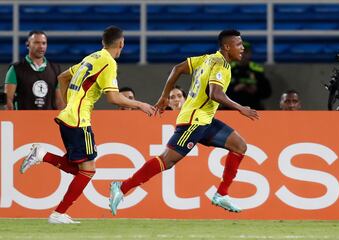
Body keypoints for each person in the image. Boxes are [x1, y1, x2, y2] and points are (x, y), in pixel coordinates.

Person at [109, 29, 259, 215]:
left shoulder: (206, 59)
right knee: (167, 161)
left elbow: (177, 68)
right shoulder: (221, 65)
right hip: (194, 122)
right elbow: (215, 94)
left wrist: (164, 96)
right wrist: (241, 108)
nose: (242, 48)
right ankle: (121, 187)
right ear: (227, 47)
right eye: (238, 44)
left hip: (205, 120)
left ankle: (221, 194)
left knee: (239, 145)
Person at [19, 26, 155, 224]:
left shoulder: (92, 58)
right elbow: (113, 98)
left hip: (69, 118)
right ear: (121, 43)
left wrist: (69, 103)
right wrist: (140, 104)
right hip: (79, 121)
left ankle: (43, 157)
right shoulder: (108, 63)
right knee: (88, 170)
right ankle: (58, 212)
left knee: (81, 170)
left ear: (103, 42)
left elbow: (62, 77)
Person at [4, 30, 65, 110]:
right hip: (23, 120)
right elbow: (8, 100)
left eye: (44, 43)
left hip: (48, 120)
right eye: (36, 43)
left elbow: (60, 102)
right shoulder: (15, 69)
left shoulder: (56, 69)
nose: (41, 46)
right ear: (28, 45)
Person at [225, 41, 272, 110]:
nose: (243, 55)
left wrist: (255, 90)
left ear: (250, 54)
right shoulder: (228, 69)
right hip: (232, 107)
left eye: (246, 52)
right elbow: (217, 92)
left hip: (253, 107)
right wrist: (235, 89)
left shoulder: (257, 70)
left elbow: (267, 92)